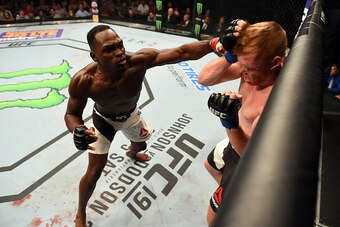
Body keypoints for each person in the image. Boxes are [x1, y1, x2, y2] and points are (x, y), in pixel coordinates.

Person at [64, 24, 215, 227]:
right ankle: (80, 212)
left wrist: (214, 43)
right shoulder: (84, 81)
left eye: (120, 45)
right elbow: (72, 114)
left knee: (140, 146)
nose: (119, 53)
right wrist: (77, 129)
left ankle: (132, 153)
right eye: (109, 49)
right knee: (94, 172)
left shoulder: (138, 62)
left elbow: (182, 52)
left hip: (131, 115)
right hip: (103, 120)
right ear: (94, 56)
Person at [198, 19, 288, 226]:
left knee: (213, 220)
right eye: (240, 63)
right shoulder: (253, 68)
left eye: (249, 67)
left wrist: (229, 122)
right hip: (235, 142)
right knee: (210, 164)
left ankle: (236, 201)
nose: (242, 72)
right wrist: (229, 56)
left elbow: (250, 155)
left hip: (248, 157)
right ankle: (238, 200)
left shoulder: (274, 102)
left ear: (275, 62)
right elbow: (204, 79)